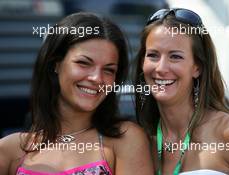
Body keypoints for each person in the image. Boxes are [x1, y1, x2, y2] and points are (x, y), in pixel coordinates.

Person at [0, 12, 154, 175]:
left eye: (108, 70)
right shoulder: (10, 150)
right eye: (83, 63)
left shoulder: (126, 138)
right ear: (55, 64)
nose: (96, 78)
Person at [134, 8, 229, 175]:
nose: (161, 68)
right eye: (153, 55)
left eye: (175, 56)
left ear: (198, 67)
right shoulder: (139, 142)